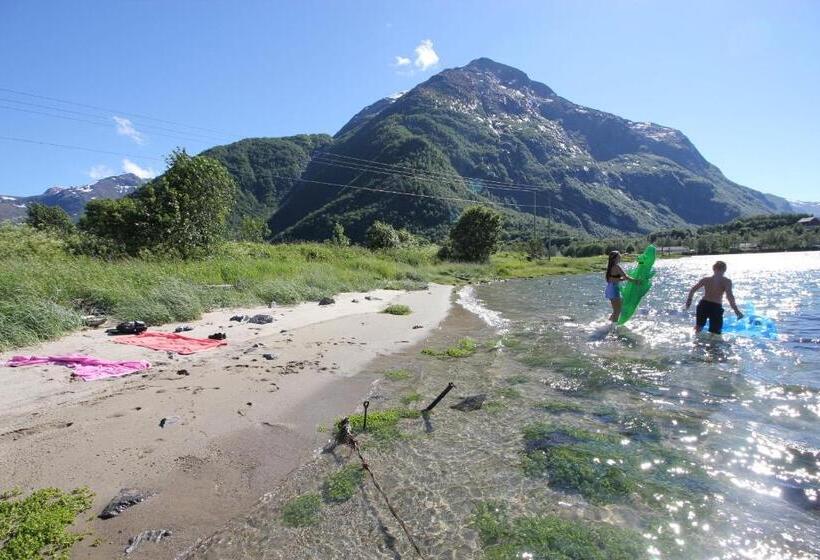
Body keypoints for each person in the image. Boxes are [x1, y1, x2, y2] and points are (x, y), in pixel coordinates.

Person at [685, 260, 743, 334]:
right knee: (715, 332)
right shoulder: (726, 281)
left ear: (713, 269)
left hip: (703, 305)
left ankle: (696, 343)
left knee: (698, 328)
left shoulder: (705, 280)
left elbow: (692, 290)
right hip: (716, 306)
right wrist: (736, 311)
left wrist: (689, 301)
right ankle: (713, 345)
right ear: (724, 270)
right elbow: (729, 296)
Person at [605, 251, 637, 322]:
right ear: (615, 258)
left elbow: (612, 279)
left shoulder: (610, 267)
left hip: (610, 288)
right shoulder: (616, 266)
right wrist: (635, 281)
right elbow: (625, 277)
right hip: (614, 290)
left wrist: (621, 279)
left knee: (617, 308)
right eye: (619, 257)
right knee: (617, 311)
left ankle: (608, 323)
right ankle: (613, 329)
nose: (620, 258)